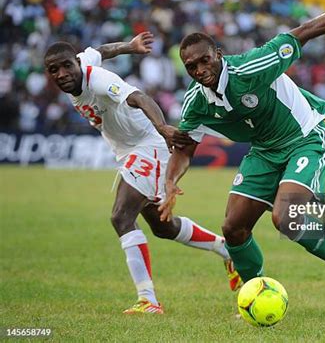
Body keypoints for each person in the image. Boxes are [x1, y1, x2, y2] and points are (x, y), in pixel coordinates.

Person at [160, 0, 325, 308]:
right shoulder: (196, 101)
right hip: (264, 150)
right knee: (233, 229)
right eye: (191, 66)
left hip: (305, 137)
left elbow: (304, 32)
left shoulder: (253, 66)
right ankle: (255, 294)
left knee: (285, 218)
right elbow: (185, 146)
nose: (200, 70)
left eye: (204, 60)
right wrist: (171, 181)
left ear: (218, 53)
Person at [44, 32, 242, 315]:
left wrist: (163, 129)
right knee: (163, 227)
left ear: (76, 63)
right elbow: (101, 48)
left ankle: (148, 300)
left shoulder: (98, 80)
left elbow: (139, 97)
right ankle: (226, 249)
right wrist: (130, 47)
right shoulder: (82, 61)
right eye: (54, 70)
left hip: (148, 145)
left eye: (66, 66)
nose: (62, 74)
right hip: (127, 151)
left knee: (121, 216)